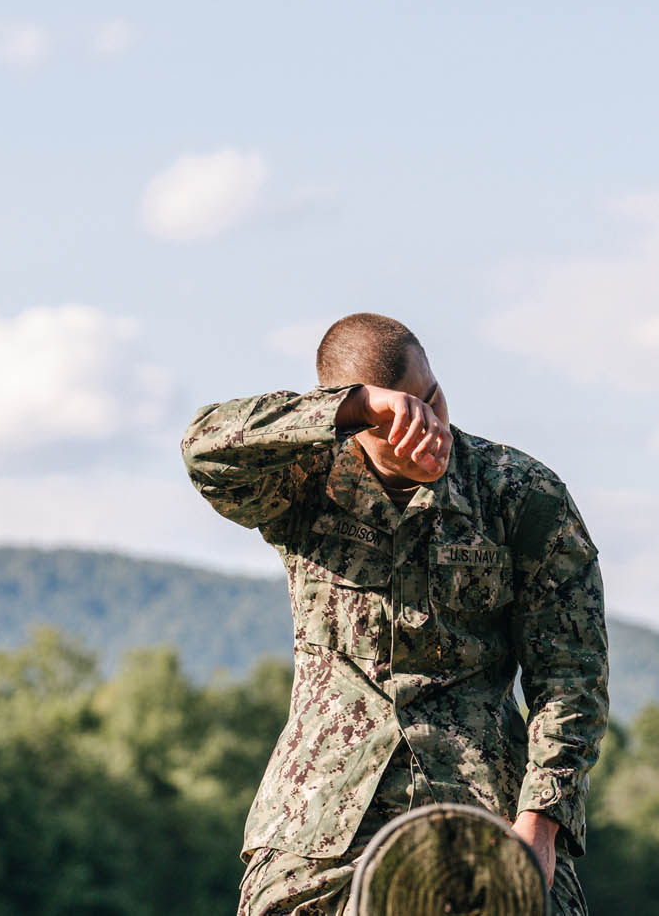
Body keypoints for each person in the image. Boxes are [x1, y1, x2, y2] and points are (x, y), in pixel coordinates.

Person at [181, 312, 608, 915]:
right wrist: (352, 406)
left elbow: (571, 675)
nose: (430, 430)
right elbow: (205, 449)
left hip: (482, 817)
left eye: (432, 400)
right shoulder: (306, 483)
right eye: (401, 420)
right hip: (319, 828)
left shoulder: (518, 494)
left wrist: (541, 824)